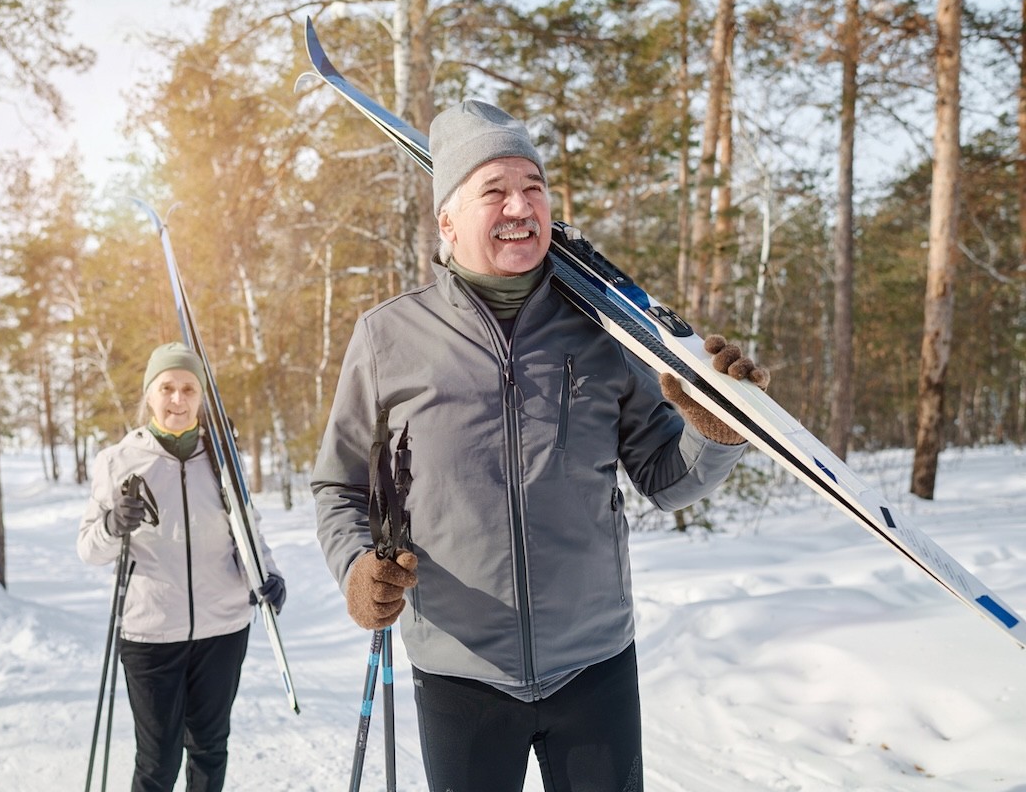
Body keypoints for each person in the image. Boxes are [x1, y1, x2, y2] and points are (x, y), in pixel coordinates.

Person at [311, 100, 770, 792]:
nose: (520, 205)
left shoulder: (603, 331)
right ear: (448, 221)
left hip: (595, 665)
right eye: (493, 191)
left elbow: (665, 479)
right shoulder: (388, 339)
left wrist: (716, 435)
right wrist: (354, 569)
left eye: (534, 187)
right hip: (460, 672)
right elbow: (339, 487)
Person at [78, 342, 286, 792]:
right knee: (157, 761)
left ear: (200, 397)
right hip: (152, 635)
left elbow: (248, 529)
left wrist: (268, 575)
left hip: (224, 627)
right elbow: (89, 550)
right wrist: (114, 524)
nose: (178, 399)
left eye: (188, 388)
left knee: (211, 748)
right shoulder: (118, 462)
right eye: (167, 388)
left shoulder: (222, 459)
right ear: (150, 395)